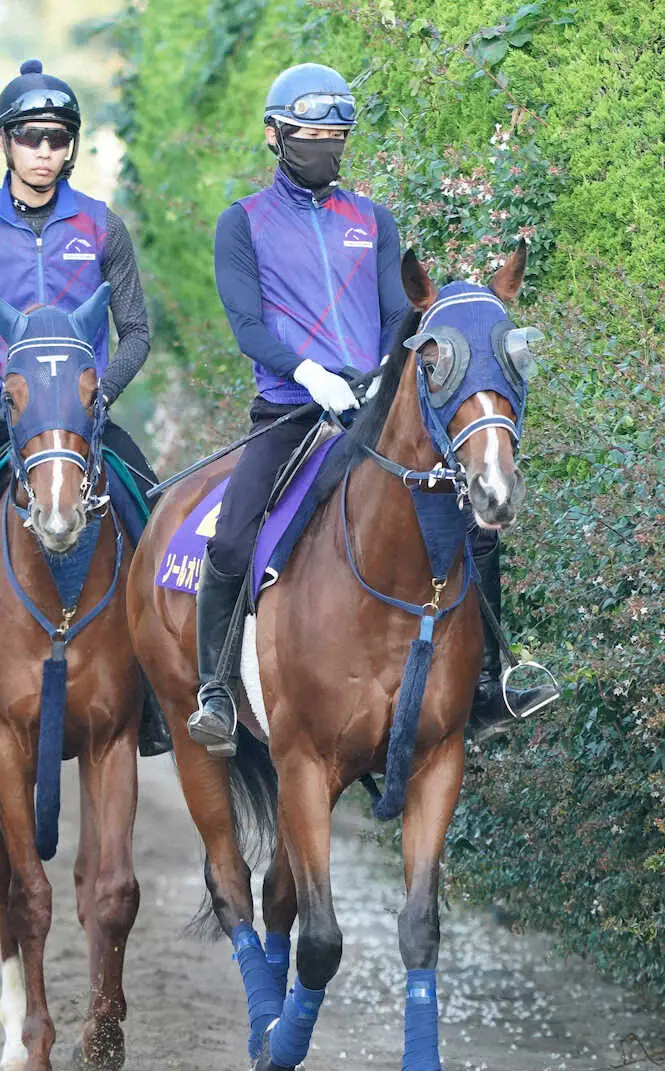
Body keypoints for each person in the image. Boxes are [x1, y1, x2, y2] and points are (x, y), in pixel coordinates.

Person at [189, 61, 557, 758]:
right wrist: (306, 373)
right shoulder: (241, 224)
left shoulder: (374, 221)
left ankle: (491, 681)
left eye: (336, 135)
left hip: (372, 411)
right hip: (290, 412)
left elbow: (399, 316)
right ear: (273, 135)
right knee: (234, 535)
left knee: (474, 522)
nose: (323, 146)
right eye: (307, 134)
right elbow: (247, 322)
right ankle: (213, 685)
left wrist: (374, 382)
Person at [0, 59, 169, 754]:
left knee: (157, 515)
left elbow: (136, 332)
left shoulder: (103, 227)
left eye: (58, 138)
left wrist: (98, 399)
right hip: (10, 419)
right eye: (31, 136)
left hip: (82, 425)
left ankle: (161, 691)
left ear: (71, 145)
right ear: (8, 142)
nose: (45, 151)